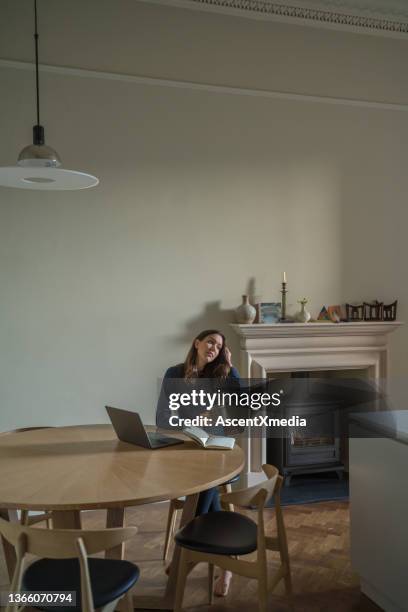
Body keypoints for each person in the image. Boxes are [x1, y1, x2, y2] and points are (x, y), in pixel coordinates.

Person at [156, 329, 240, 596]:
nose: (214, 348)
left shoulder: (220, 375)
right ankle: (222, 562)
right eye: (210, 342)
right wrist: (192, 422)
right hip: (187, 445)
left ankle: (189, 555)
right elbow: (161, 418)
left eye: (219, 346)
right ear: (197, 343)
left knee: (205, 482)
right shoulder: (174, 373)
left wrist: (231, 365)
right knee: (207, 488)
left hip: (217, 444)